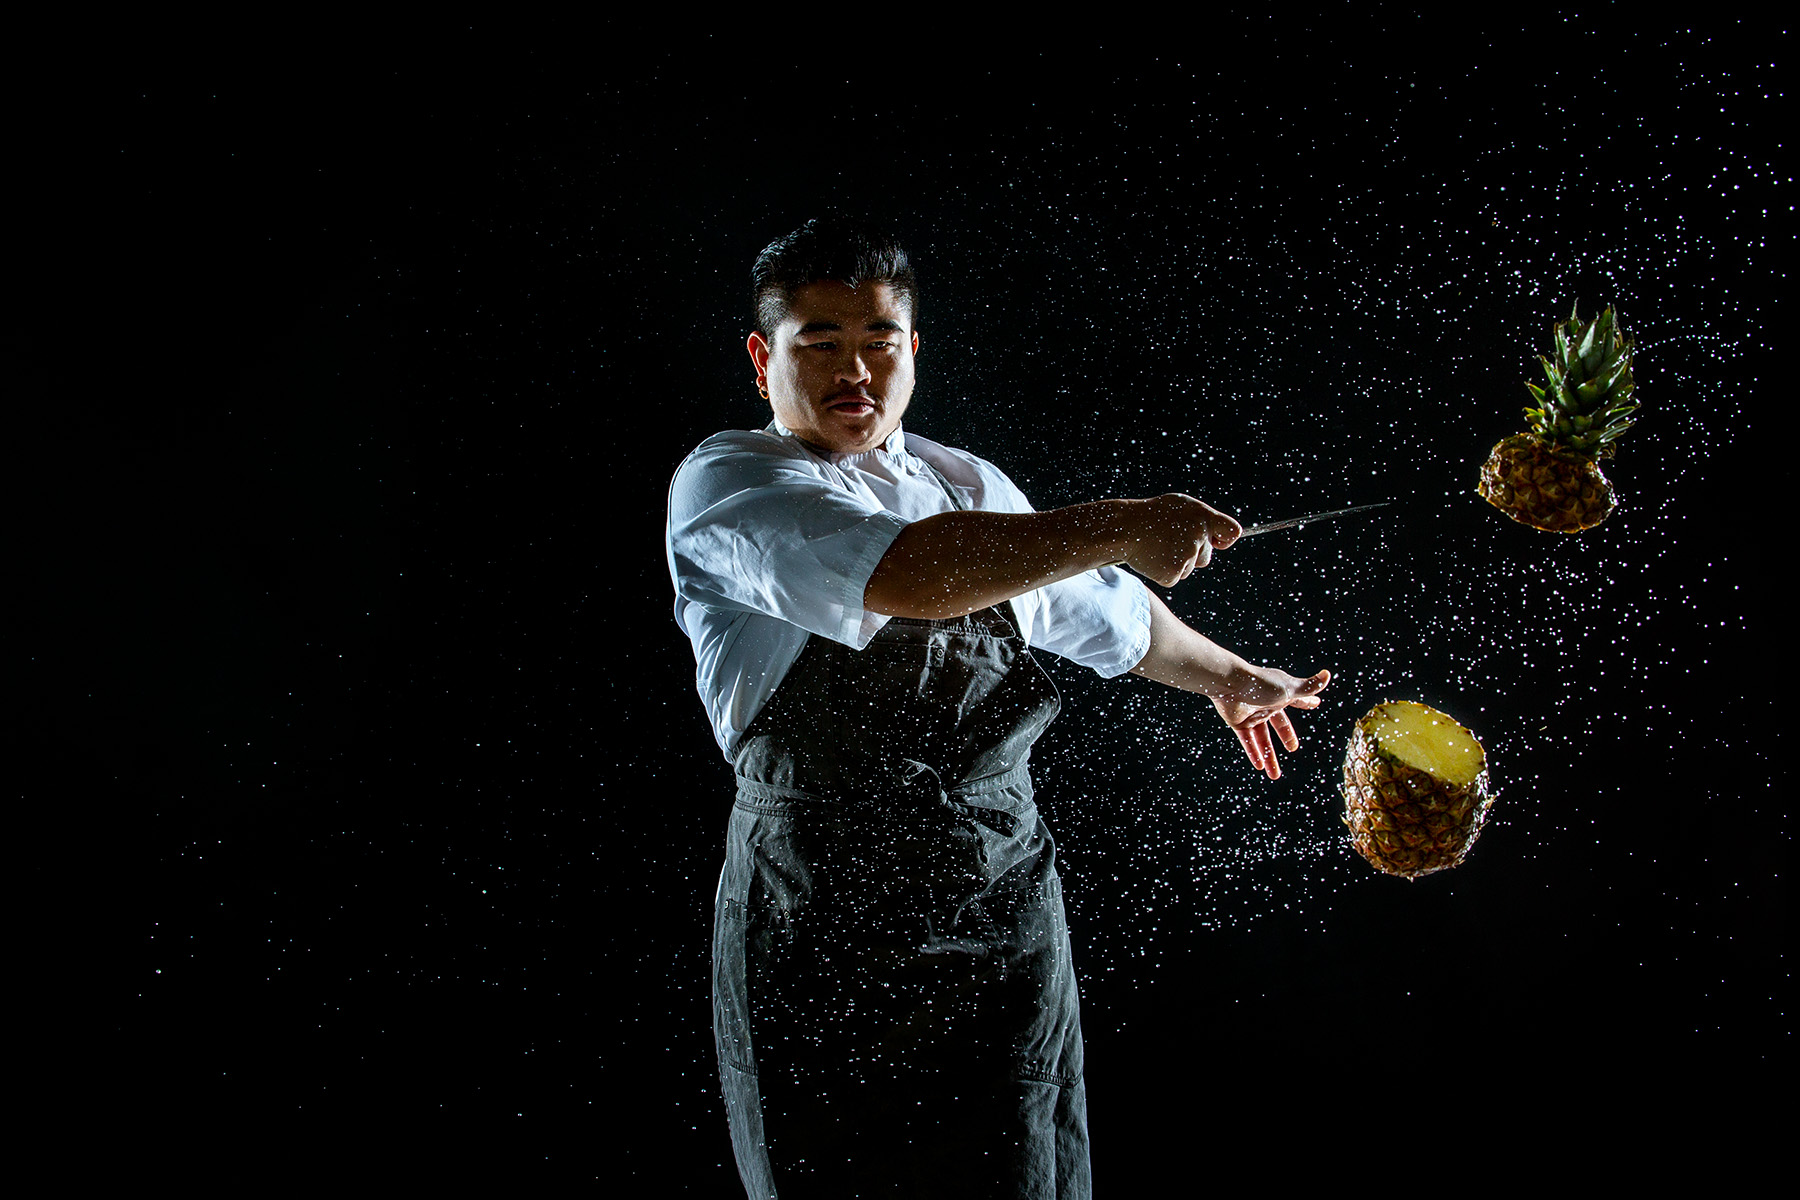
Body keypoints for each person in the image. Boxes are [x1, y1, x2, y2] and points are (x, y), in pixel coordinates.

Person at [666, 218, 1330, 1200]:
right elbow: (914, 573)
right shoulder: (730, 481)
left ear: (914, 351)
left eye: (879, 341)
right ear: (765, 357)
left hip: (1003, 913)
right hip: (823, 931)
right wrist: (1118, 524)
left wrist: (1229, 677)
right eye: (821, 342)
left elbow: (1102, 611)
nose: (856, 369)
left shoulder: (963, 484)